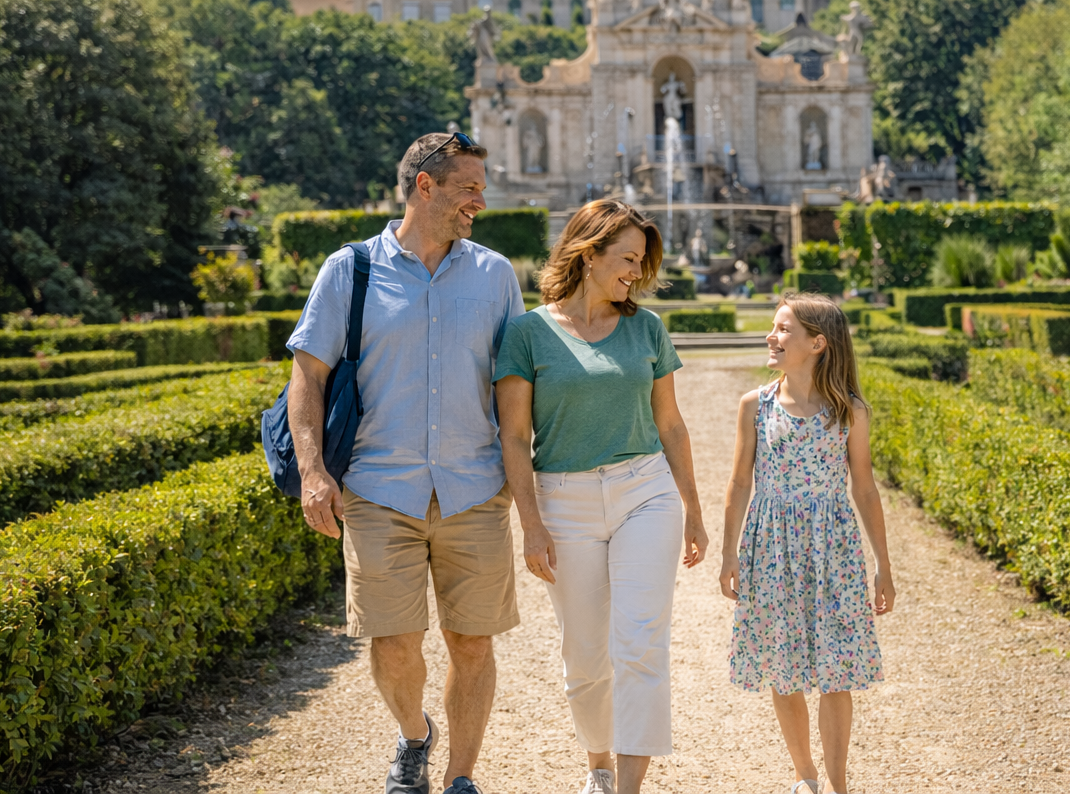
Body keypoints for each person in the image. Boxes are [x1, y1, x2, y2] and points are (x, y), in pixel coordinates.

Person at [287, 132, 525, 794]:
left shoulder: (496, 275)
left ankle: (460, 778)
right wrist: (313, 472)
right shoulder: (350, 270)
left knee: (472, 643)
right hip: (377, 488)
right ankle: (415, 735)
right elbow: (307, 377)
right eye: (469, 187)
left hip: (474, 489)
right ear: (426, 185)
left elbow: (515, 388)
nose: (481, 201)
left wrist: (525, 487)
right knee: (392, 642)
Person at [496, 200, 709, 794]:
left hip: (645, 492)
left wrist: (692, 509)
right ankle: (599, 766)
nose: (637, 274)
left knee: (641, 643)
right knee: (586, 656)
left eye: (642, 262)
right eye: (628, 259)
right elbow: (513, 436)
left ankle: (629, 788)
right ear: (589, 255)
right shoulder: (527, 333)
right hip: (564, 501)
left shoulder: (647, 328)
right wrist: (530, 525)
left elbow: (671, 425)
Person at [719, 293, 894, 794]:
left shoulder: (850, 411)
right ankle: (805, 776)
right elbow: (739, 483)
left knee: (836, 671)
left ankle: (838, 786)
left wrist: (883, 564)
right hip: (772, 550)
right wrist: (729, 553)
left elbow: (865, 488)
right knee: (784, 667)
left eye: (783, 329)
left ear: (818, 344)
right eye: (773, 328)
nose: (771, 337)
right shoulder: (755, 406)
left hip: (833, 551)